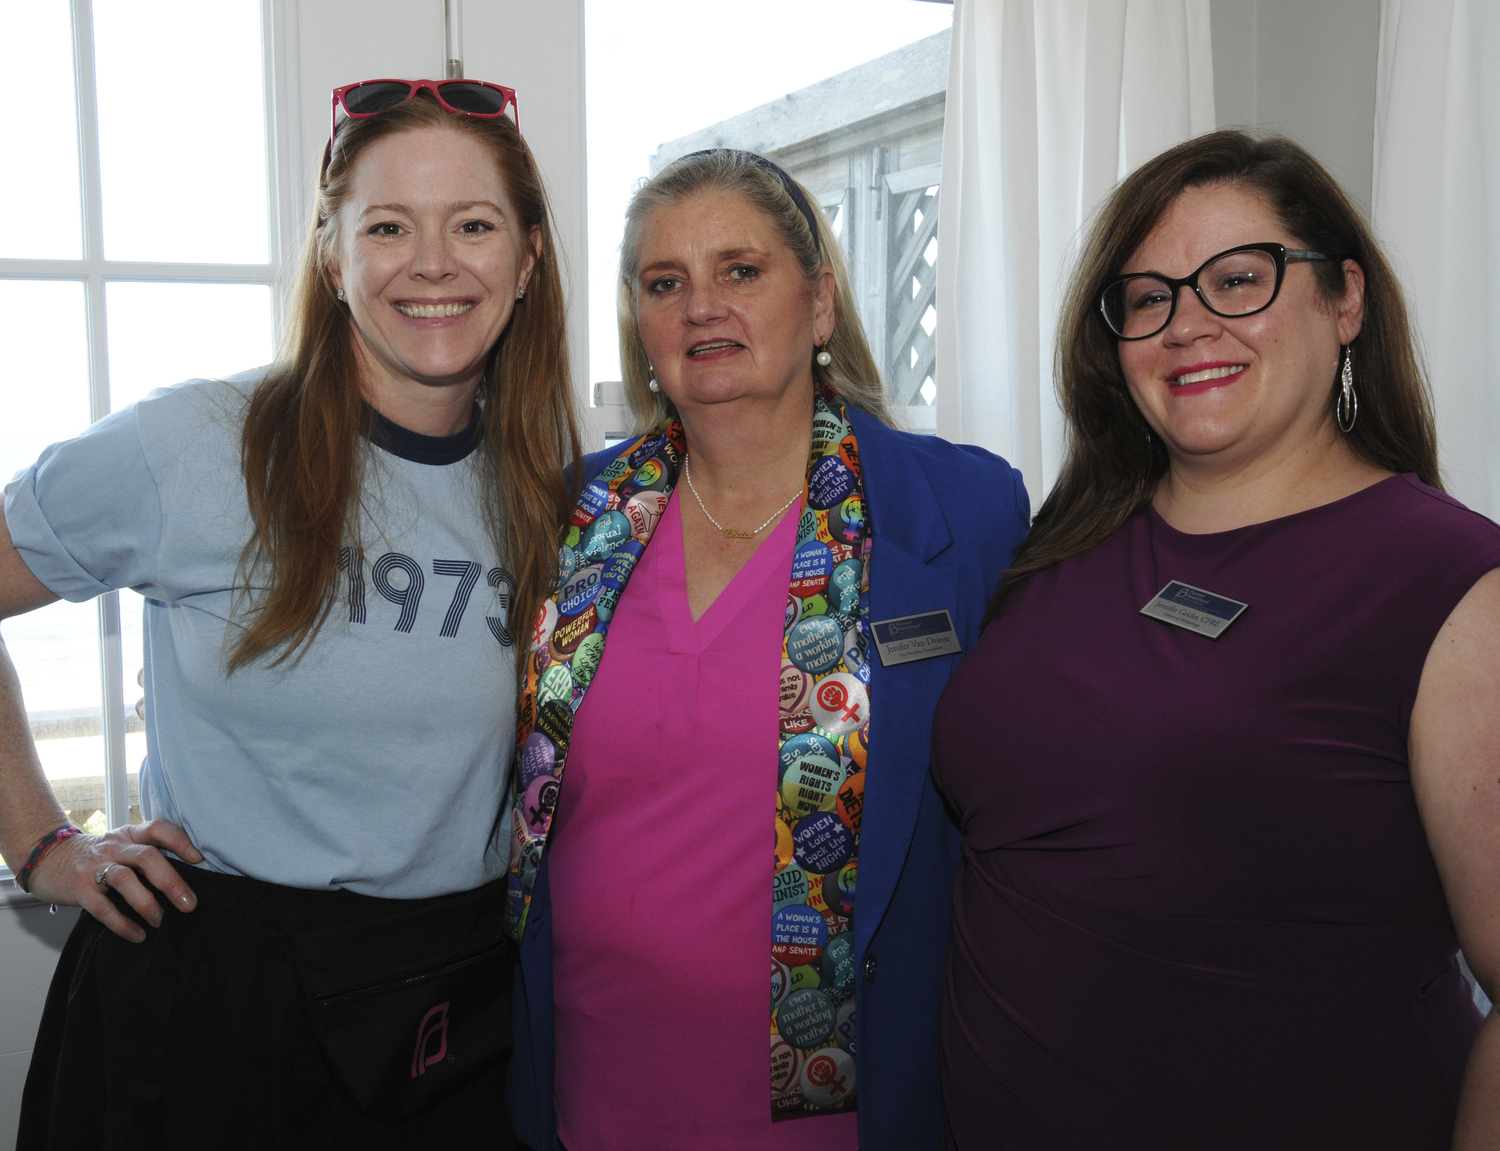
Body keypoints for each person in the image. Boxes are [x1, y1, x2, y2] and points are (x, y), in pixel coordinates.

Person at [1, 79, 580, 1148]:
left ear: (529, 259)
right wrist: (40, 840)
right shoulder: (195, 445)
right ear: (331, 251)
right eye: (389, 226)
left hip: (450, 1009)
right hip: (210, 1005)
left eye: (475, 225)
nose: (435, 262)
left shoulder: (561, 493)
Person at [930, 129, 1500, 1150]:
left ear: (1346, 298)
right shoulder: (1064, 540)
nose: (1187, 324)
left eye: (1239, 279)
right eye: (1148, 297)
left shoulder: (1450, 581)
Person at [502, 149, 1029, 1151]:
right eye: (667, 283)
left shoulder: (957, 512)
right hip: (590, 1084)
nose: (702, 306)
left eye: (740, 270)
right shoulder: (571, 510)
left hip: (843, 1107)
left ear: (820, 303)